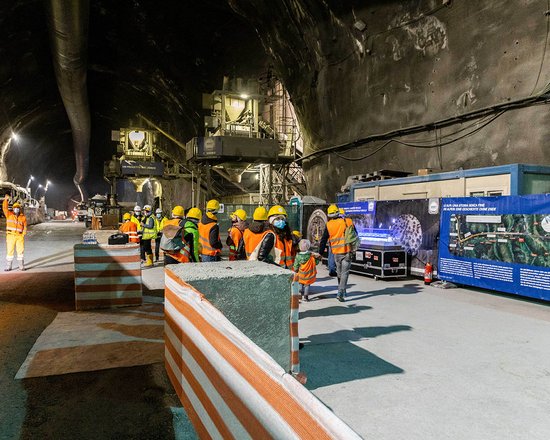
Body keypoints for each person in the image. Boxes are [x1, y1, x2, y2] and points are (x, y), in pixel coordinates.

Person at [318, 204, 353, 302]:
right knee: (345, 273)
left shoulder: (329, 225)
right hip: (348, 251)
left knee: (339, 272)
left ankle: (341, 290)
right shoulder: (348, 221)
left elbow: (323, 239)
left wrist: (320, 253)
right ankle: (341, 292)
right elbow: (355, 235)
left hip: (336, 252)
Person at [3, 195, 27, 271]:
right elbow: (5, 208)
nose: (16, 209)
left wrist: (23, 234)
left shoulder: (23, 217)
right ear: (13, 209)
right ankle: (8, 266)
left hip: (19, 236)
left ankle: (21, 266)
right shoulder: (9, 215)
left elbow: (25, 227)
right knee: (10, 251)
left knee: (20, 251)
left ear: (19, 209)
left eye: (18, 208)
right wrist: (6, 200)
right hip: (10, 236)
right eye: (15, 208)